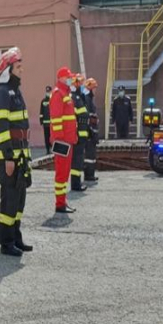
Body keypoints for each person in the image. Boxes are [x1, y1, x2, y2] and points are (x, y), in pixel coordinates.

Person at [0, 48, 33, 257]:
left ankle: (16, 236)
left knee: (19, 199)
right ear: (8, 69)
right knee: (9, 199)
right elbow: (2, 128)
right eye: (18, 66)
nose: (21, 69)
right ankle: (6, 243)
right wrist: (8, 157)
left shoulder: (15, 91)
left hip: (21, 156)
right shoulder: (1, 93)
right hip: (9, 157)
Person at [49, 67, 78, 214]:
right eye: (68, 77)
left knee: (65, 172)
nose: (70, 80)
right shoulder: (57, 94)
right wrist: (60, 139)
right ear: (60, 78)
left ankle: (62, 201)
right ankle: (59, 203)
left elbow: (69, 118)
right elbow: (56, 118)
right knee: (61, 172)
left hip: (68, 140)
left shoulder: (66, 93)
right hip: (63, 141)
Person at [70, 73, 90, 192]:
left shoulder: (78, 97)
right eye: (80, 83)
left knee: (78, 159)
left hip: (81, 134)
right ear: (76, 84)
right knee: (77, 160)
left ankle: (77, 182)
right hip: (78, 135)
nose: (82, 85)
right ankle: (76, 184)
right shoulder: (74, 98)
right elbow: (74, 118)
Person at [83, 77, 100, 182]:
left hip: (92, 132)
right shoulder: (87, 100)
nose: (95, 90)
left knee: (92, 155)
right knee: (89, 156)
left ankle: (91, 174)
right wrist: (91, 132)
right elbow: (89, 117)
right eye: (94, 88)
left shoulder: (89, 99)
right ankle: (89, 175)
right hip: (90, 133)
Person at [40, 85, 52, 154]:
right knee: (46, 137)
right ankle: (47, 150)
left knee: (52, 137)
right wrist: (41, 120)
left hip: (52, 123)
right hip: (45, 124)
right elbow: (41, 111)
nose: (48, 92)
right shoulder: (43, 101)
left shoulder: (53, 100)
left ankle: (51, 148)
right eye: (47, 91)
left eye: (49, 91)